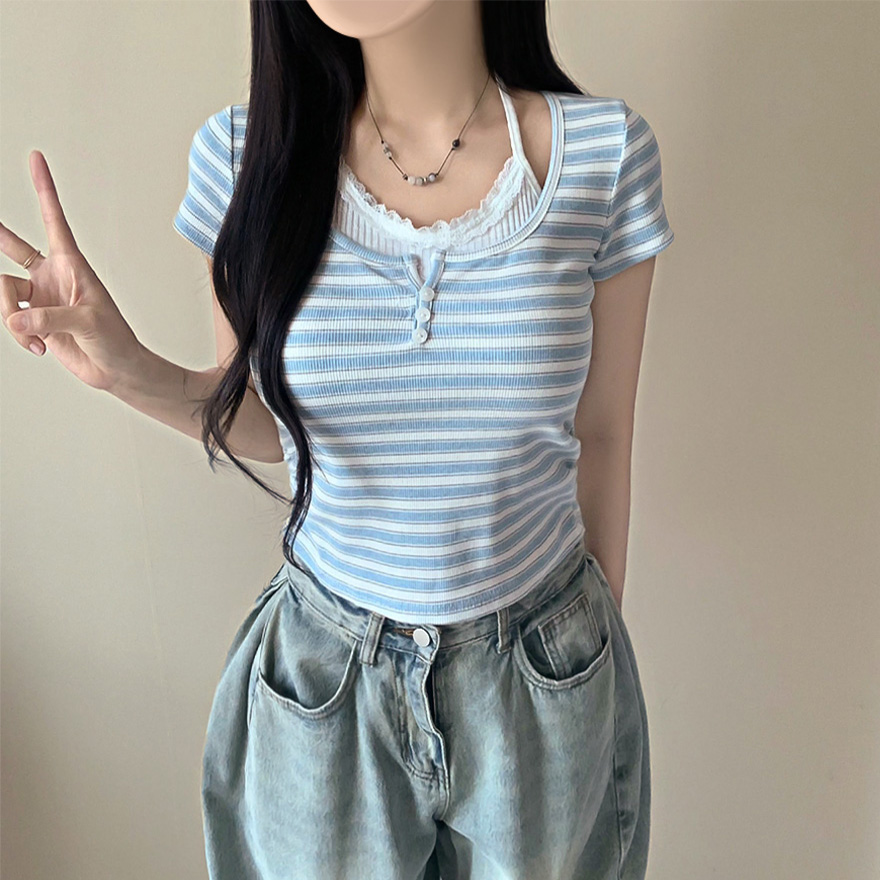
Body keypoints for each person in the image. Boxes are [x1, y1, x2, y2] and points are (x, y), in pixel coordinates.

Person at [0, 1, 674, 877]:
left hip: (540, 669)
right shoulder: (245, 159)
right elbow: (268, 424)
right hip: (326, 682)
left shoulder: (602, 157)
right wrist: (128, 369)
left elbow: (603, 432)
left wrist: (584, 655)